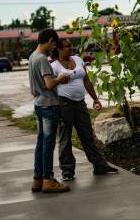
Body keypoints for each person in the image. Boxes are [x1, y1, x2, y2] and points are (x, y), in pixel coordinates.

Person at [51, 39, 119, 181]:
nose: (71, 48)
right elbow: (49, 85)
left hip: (80, 103)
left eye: (71, 45)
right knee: (65, 137)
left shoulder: (77, 59)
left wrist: (95, 99)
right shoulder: (54, 66)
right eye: (68, 46)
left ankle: (99, 166)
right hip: (64, 105)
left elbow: (86, 80)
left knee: (87, 135)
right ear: (59, 49)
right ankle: (67, 171)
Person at [29, 28, 71, 193]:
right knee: (48, 144)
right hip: (48, 104)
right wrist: (60, 77)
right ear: (49, 41)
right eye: (54, 44)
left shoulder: (32, 56)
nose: (54, 48)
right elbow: (49, 84)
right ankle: (48, 180)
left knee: (41, 144)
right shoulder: (42, 59)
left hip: (39, 104)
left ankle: (37, 179)